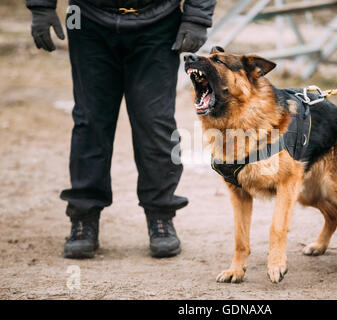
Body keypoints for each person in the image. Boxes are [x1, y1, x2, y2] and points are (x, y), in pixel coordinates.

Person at [26, 0, 216, 259]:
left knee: (155, 123)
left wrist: (196, 18)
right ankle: (84, 219)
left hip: (158, 23)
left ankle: (161, 216)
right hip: (87, 19)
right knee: (90, 121)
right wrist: (41, 7)